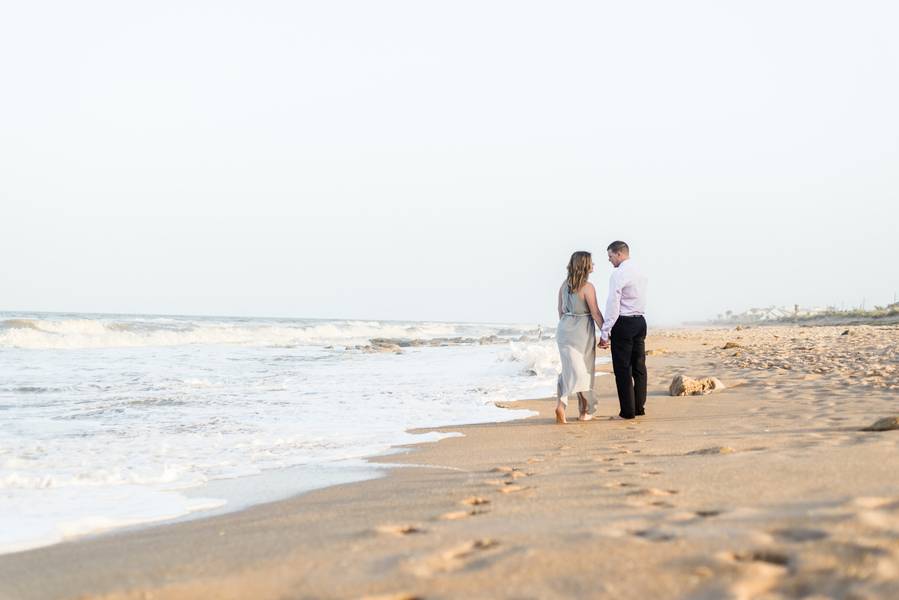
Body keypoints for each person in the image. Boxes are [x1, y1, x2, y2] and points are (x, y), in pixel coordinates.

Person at [598, 241, 648, 420]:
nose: (609, 260)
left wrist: (605, 333)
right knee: (639, 367)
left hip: (624, 323)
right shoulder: (640, 271)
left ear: (619, 254)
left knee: (623, 369)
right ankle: (639, 407)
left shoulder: (619, 274)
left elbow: (613, 304)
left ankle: (628, 412)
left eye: (610, 256)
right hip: (640, 321)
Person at [555, 251, 604, 424]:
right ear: (585, 265)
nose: (594, 265)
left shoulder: (564, 285)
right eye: (591, 262)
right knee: (584, 370)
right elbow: (596, 313)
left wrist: (567, 324)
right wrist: (606, 334)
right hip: (581, 332)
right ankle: (586, 412)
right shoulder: (587, 287)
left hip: (564, 330)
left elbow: (560, 311)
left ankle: (561, 405)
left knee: (568, 370)